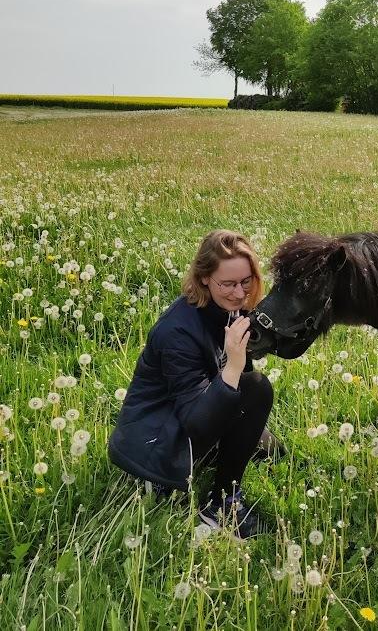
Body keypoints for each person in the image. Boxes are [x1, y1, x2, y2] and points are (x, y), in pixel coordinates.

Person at [108, 229, 280, 538]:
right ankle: (221, 505)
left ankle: (223, 462)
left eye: (246, 281)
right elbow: (197, 422)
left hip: (188, 416)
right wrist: (235, 364)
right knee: (257, 388)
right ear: (203, 279)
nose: (240, 294)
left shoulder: (228, 307)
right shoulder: (176, 332)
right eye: (228, 284)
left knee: (269, 446)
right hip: (156, 446)